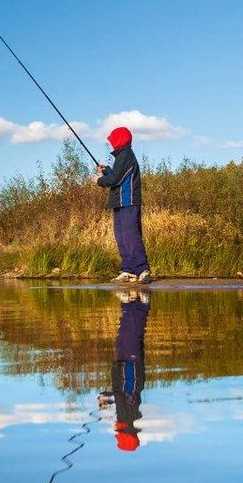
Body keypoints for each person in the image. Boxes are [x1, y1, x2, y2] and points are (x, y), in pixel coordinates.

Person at [95, 126, 151, 284]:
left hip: (128, 201)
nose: (111, 142)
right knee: (121, 237)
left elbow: (115, 180)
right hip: (119, 202)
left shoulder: (125, 155)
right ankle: (128, 270)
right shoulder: (121, 157)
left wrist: (99, 180)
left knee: (131, 236)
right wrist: (107, 171)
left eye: (112, 139)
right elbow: (117, 175)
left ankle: (142, 269)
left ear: (119, 140)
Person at [98, 290, 149, 452]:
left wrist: (108, 398)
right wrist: (125, 365)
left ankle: (137, 302)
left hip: (128, 363)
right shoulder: (127, 414)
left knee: (128, 333)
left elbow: (122, 394)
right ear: (124, 430)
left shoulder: (127, 414)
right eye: (118, 432)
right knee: (129, 332)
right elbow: (129, 390)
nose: (115, 430)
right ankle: (136, 301)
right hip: (129, 363)